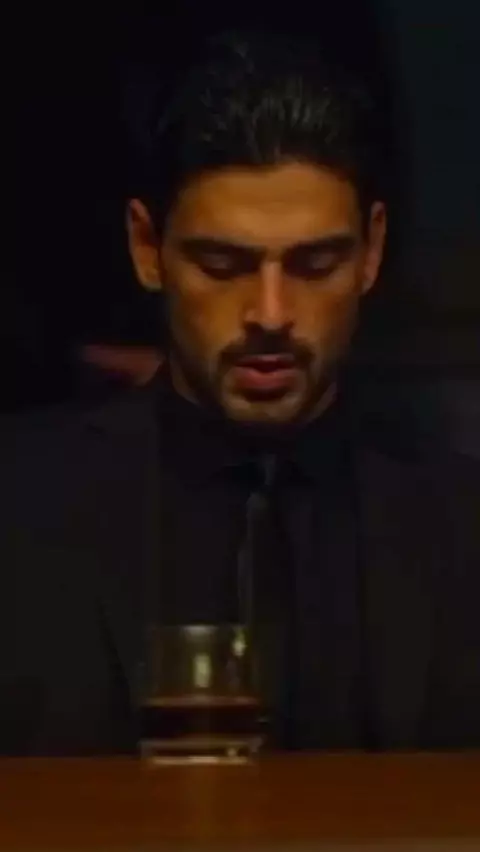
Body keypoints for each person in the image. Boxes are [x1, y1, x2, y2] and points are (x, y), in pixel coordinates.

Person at [1, 30, 479, 756]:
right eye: (222, 264)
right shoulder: (18, 506)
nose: (271, 313)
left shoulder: (462, 527)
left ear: (372, 251)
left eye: (316, 264)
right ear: (147, 249)